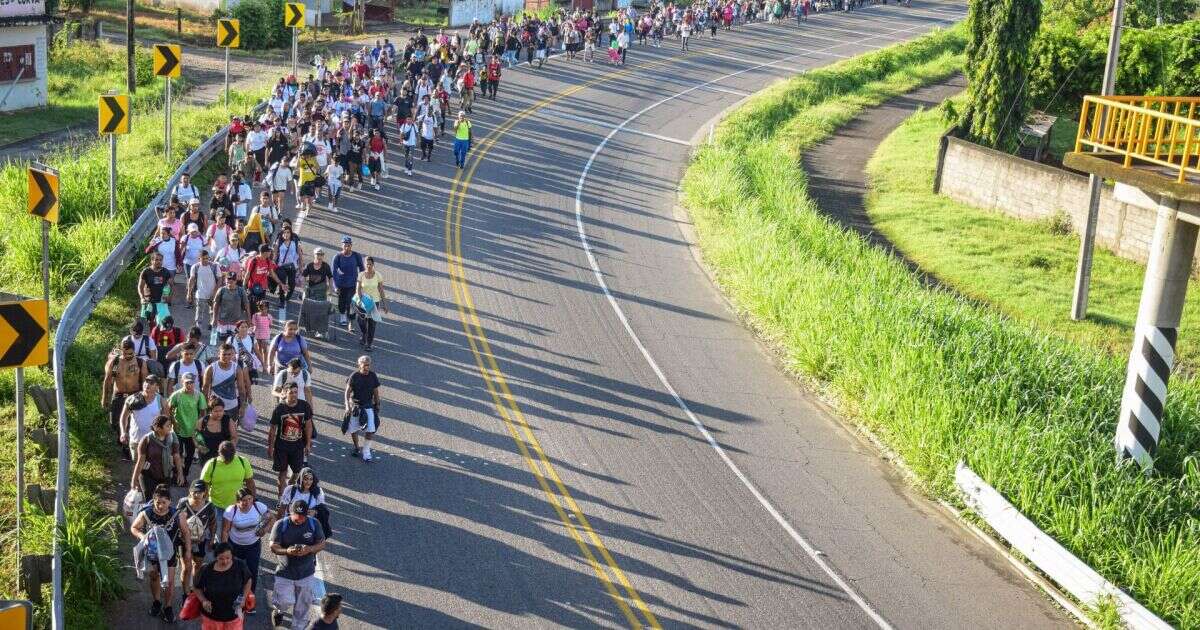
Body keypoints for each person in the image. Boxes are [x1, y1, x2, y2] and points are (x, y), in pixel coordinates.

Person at [131, 484, 192, 623]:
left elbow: (186, 533)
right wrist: (143, 537)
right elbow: (134, 527)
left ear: (170, 501)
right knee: (154, 578)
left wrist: (188, 551)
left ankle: (168, 607)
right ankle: (157, 602)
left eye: (164, 503)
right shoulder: (146, 513)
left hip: (170, 554)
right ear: (154, 500)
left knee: (169, 582)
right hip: (152, 554)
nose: (160, 506)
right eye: (158, 502)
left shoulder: (177, 514)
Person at [269, 499, 327, 629]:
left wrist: (309, 549)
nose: (299, 520)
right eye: (296, 517)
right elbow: (273, 546)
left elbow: (322, 543)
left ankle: (298, 627)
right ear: (290, 512)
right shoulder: (281, 525)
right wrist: (287, 551)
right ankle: (279, 611)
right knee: (283, 601)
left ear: (307, 514)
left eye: (302, 517)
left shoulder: (314, 524)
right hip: (285, 572)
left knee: (303, 606)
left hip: (306, 573)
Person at [222, 486, 273, 612]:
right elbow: (225, 531)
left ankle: (249, 599)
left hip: (253, 545)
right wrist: (224, 550)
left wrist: (265, 529)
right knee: (234, 571)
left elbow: (271, 518)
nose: (247, 503)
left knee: (252, 572)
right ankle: (234, 597)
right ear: (237, 501)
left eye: (250, 499)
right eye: (244, 500)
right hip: (235, 545)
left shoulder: (258, 506)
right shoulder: (230, 511)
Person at [103, 338, 148, 458]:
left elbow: (145, 381)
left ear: (134, 351)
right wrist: (104, 398)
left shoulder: (140, 362)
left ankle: (127, 446)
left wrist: (145, 397)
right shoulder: (115, 363)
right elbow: (107, 380)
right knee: (114, 422)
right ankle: (122, 439)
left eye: (130, 353)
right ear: (121, 351)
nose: (128, 356)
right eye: (125, 353)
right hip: (118, 396)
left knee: (130, 422)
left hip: (134, 395)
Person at [193, 542, 252, 630]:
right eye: (221, 558)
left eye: (228, 558)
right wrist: (203, 601)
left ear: (232, 555)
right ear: (216, 557)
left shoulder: (240, 566)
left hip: (234, 616)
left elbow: (248, 580)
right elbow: (196, 587)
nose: (225, 561)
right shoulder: (206, 569)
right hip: (211, 617)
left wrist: (244, 597)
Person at [268, 383, 313, 497]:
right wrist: (270, 447)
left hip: (298, 446)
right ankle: (281, 497)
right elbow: (273, 429)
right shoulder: (279, 409)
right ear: (285, 393)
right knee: (282, 472)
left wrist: (308, 444)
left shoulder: (304, 406)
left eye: (296, 392)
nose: (294, 395)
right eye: (291, 392)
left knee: (297, 472)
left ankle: (290, 486)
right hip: (281, 446)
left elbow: (308, 426)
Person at [178, 479, 218, 605]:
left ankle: (195, 589)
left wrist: (211, 538)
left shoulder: (209, 506)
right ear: (190, 491)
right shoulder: (183, 503)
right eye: (194, 491)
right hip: (183, 540)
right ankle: (185, 594)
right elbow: (176, 519)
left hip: (200, 540)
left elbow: (212, 523)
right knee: (186, 568)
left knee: (198, 565)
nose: (196, 494)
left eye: (199, 492)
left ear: (204, 493)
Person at [131, 415, 183, 498]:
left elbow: (176, 456)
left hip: (165, 476)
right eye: (167, 426)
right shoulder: (146, 439)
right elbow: (140, 461)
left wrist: (180, 474)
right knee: (150, 501)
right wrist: (134, 479)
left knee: (163, 500)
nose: (170, 428)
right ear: (158, 428)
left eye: (170, 425)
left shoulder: (172, 437)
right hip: (148, 476)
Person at [167, 372, 207, 478]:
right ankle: (176, 475)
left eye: (191, 383)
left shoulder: (199, 395)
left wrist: (199, 427)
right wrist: (173, 423)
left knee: (189, 455)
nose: (189, 385)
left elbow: (203, 412)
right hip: (178, 430)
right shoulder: (176, 395)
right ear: (182, 382)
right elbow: (169, 409)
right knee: (177, 454)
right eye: (187, 383)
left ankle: (184, 474)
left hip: (192, 432)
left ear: (195, 383)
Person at [120, 375, 164, 463]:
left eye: (151, 383)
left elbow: (166, 421)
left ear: (157, 387)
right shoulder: (132, 399)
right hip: (136, 440)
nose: (147, 384)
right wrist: (123, 432)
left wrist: (165, 437)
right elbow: (123, 418)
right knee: (138, 468)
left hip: (154, 441)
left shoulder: (161, 401)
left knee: (152, 468)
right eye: (146, 381)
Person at [345, 355, 380, 461]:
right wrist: (347, 406)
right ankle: (356, 447)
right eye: (364, 365)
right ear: (359, 365)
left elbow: (375, 392)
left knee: (370, 429)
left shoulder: (373, 376)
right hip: (356, 406)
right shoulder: (354, 376)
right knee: (353, 429)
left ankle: (366, 451)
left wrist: (377, 404)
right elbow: (347, 392)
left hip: (368, 406)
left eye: (368, 365)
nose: (367, 368)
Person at [203, 343, 251, 421]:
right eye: (224, 354)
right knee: (213, 431)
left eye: (229, 354)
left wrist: (242, 406)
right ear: (219, 354)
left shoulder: (237, 368)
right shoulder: (211, 368)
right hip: (214, 407)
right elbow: (205, 389)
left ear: (232, 355)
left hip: (231, 407)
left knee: (230, 432)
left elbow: (241, 389)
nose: (227, 357)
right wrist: (204, 408)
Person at [277, 467, 329, 538]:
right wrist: (277, 527)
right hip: (290, 524)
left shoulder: (318, 492)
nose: (308, 482)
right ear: (301, 479)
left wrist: (315, 512)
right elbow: (282, 509)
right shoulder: (291, 490)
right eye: (306, 479)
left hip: (307, 527)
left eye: (311, 479)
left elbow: (323, 510)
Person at [354, 256, 388, 350]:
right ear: (364, 265)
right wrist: (361, 300)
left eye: (370, 264)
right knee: (361, 321)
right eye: (366, 264)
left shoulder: (378, 275)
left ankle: (369, 344)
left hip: (374, 302)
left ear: (373, 265)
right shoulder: (361, 275)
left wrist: (385, 304)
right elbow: (358, 289)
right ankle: (364, 333)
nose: (368, 266)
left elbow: (381, 290)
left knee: (372, 324)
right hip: (362, 302)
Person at [332, 237, 365, 331]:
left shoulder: (356, 256)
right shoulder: (337, 257)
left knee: (352, 303)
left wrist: (362, 282)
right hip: (341, 284)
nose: (347, 247)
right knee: (342, 303)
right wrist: (335, 286)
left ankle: (351, 322)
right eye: (345, 245)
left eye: (349, 245)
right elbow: (334, 272)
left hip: (353, 285)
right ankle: (342, 316)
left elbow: (362, 269)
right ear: (342, 245)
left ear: (351, 246)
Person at [188, 249, 221, 334]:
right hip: (200, 294)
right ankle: (198, 332)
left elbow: (220, 279)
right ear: (199, 258)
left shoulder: (214, 266)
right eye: (204, 258)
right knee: (199, 314)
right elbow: (191, 280)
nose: (206, 260)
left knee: (213, 312)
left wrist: (215, 293)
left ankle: (213, 329)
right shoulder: (195, 267)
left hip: (213, 294)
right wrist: (189, 293)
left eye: (207, 258)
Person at [211, 272, 250, 340]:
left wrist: (249, 319)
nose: (230, 281)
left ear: (236, 281)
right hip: (223, 321)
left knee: (235, 341)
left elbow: (247, 305)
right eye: (229, 279)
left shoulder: (241, 291)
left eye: (233, 279)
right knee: (224, 342)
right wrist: (214, 319)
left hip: (236, 322)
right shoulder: (221, 290)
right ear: (226, 280)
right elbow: (215, 305)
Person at [139, 251, 174, 322]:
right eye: (156, 260)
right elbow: (140, 287)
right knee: (151, 323)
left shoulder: (166, 272)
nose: (159, 262)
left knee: (163, 323)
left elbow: (172, 286)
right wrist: (142, 298)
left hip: (162, 302)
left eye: (160, 260)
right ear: (152, 261)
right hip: (149, 302)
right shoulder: (146, 271)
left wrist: (169, 297)